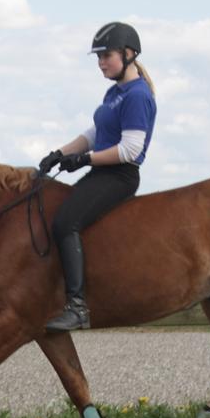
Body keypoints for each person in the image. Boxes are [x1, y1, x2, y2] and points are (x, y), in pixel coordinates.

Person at [38, 21, 157, 331]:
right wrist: (60, 154)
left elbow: (131, 149)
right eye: (98, 57)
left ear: (129, 54)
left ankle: (77, 306)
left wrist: (84, 159)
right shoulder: (114, 92)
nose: (101, 63)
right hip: (101, 172)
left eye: (107, 56)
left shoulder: (138, 95)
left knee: (66, 223)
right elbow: (95, 133)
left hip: (119, 176)